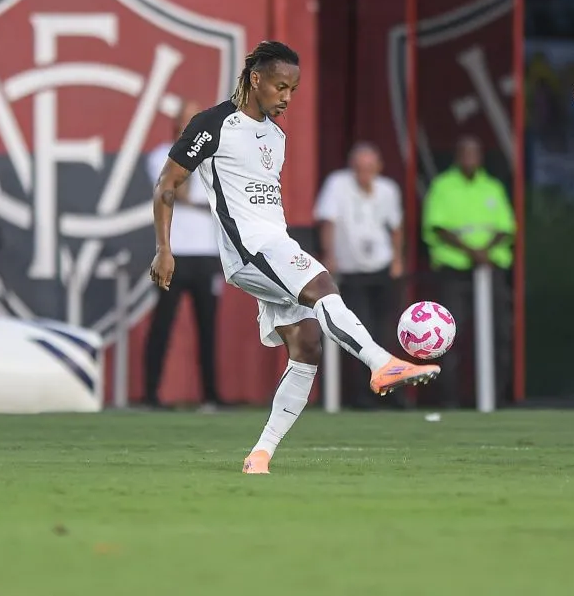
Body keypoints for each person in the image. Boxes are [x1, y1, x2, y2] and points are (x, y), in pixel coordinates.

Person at [150, 41, 440, 474]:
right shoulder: (212, 125)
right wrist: (164, 248)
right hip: (249, 248)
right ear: (255, 80)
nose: (286, 97)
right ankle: (381, 363)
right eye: (280, 86)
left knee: (306, 345)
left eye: (294, 89)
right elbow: (167, 185)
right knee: (324, 285)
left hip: (274, 243)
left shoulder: (276, 136)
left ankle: (260, 455)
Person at [143, 101, 225, 410]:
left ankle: (211, 395)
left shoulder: (214, 155)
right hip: (172, 252)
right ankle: (151, 393)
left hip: (206, 253)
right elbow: (176, 190)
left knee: (208, 328)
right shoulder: (161, 154)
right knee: (162, 323)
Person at [421, 136, 515, 408]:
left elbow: (506, 227)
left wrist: (484, 252)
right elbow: (436, 226)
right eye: (465, 153)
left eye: (475, 154)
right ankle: (448, 399)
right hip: (454, 270)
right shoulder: (443, 186)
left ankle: (496, 398)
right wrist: (471, 252)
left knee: (499, 333)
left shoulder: (492, 187)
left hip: (490, 271)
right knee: (446, 336)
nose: (470, 159)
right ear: (457, 156)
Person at [314, 142, 405, 408]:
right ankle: (362, 395)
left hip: (381, 266)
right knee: (358, 331)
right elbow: (327, 220)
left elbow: (396, 226)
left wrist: (398, 259)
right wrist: (329, 255)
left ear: (378, 168)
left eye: (369, 168)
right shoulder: (338, 185)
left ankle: (391, 391)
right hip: (351, 270)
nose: (364, 174)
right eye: (359, 169)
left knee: (386, 331)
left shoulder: (388, 189)